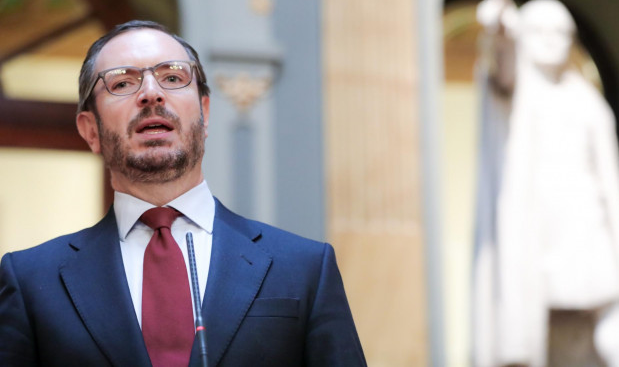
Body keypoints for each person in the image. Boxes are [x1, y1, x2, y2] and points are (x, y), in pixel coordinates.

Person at [0, 20, 366, 366]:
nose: (151, 94)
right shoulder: (31, 281)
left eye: (172, 77)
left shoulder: (304, 268)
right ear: (90, 130)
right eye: (123, 83)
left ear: (205, 114)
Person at [473, 0, 619, 367]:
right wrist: (501, 29)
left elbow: (607, 178)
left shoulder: (586, 96)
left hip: (589, 232)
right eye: (540, 32)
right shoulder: (517, 89)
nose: (551, 41)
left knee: (615, 326)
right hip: (539, 235)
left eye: (561, 33)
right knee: (537, 331)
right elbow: (503, 64)